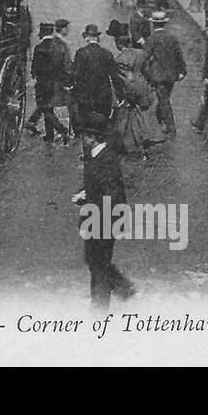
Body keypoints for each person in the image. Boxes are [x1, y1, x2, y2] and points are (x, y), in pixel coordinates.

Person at [75, 109, 136, 310]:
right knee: (94, 261)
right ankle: (122, 287)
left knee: (98, 266)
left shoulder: (104, 160)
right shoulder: (98, 155)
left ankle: (99, 310)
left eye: (83, 136)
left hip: (103, 221)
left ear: (92, 138)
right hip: (101, 218)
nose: (80, 139)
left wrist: (89, 203)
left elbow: (109, 195)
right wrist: (86, 194)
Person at [113, 37, 165, 160]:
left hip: (132, 88)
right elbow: (147, 70)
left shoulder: (120, 60)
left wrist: (128, 95)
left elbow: (127, 79)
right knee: (143, 113)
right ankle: (147, 140)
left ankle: (136, 144)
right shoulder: (140, 53)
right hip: (143, 86)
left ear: (119, 45)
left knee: (130, 116)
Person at [70, 24, 126, 134]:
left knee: (86, 124)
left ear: (86, 37)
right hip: (103, 94)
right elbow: (114, 77)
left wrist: (71, 89)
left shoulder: (81, 53)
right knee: (102, 122)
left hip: (85, 95)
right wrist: (120, 96)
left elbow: (75, 74)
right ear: (97, 37)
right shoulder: (106, 53)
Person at [25, 21, 72, 145]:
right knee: (48, 108)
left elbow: (34, 67)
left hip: (42, 83)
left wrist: (35, 76)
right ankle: (51, 135)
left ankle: (61, 130)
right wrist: (67, 81)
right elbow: (65, 66)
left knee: (46, 109)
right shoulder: (59, 47)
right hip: (55, 82)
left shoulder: (38, 47)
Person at [143, 11, 185, 138]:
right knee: (164, 99)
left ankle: (171, 128)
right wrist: (182, 71)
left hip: (158, 76)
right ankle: (157, 123)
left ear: (153, 24)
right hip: (171, 76)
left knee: (164, 102)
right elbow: (179, 56)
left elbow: (144, 57)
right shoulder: (172, 38)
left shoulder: (152, 39)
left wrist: (146, 74)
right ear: (164, 23)